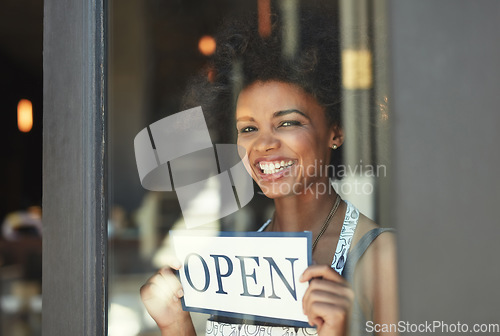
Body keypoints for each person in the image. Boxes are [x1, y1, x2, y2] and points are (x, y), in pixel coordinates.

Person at [140, 3, 398, 335]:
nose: (264, 145)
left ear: (336, 130)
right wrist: (176, 324)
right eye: (248, 129)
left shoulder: (379, 259)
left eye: (287, 123)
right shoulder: (234, 263)